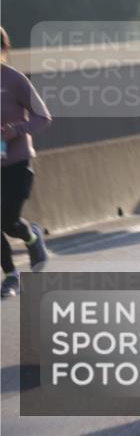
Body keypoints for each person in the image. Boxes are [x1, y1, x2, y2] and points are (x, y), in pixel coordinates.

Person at [1, 26, 52, 298]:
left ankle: (32, 237)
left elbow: (43, 117)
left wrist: (16, 130)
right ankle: (10, 276)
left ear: (3, 50)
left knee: (8, 222)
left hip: (18, 164)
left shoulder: (14, 80)